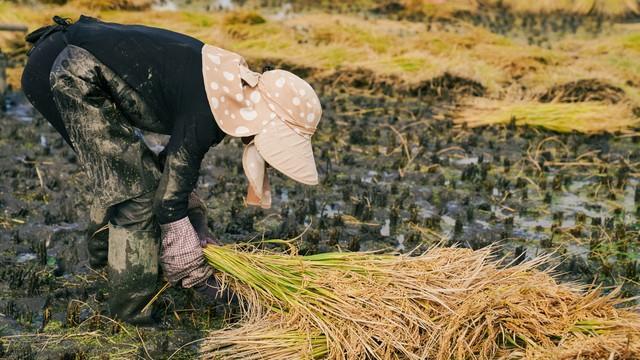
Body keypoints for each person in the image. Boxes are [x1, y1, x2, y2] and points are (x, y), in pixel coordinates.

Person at [21, 15, 323, 324]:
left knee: (128, 173)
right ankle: (131, 314)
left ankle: (102, 267)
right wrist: (192, 268)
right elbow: (168, 200)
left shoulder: (227, 89)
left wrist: (197, 225)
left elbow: (174, 169)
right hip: (66, 72)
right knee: (135, 191)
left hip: (64, 56)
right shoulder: (212, 105)